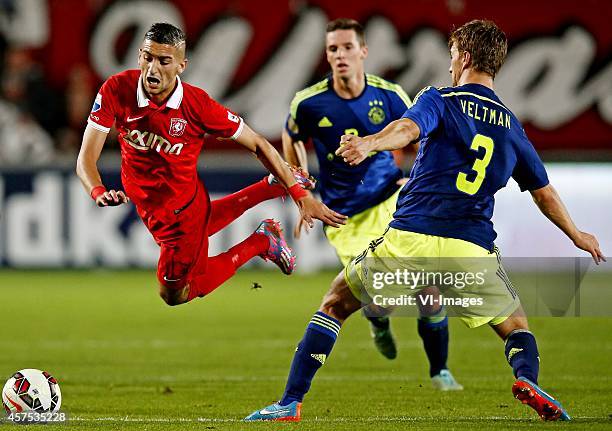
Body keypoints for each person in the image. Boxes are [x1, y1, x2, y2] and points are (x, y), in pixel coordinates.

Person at [245, 19, 605, 422]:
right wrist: (576, 233)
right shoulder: (511, 126)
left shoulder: (441, 98)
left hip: (411, 237)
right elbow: (544, 192)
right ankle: (528, 378)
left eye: (452, 55)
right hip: (470, 247)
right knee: (516, 326)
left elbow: (406, 129)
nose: (451, 64)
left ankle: (290, 402)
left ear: (465, 57)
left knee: (334, 305)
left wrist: (369, 143)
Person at [76, 23, 346, 306]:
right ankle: (268, 189)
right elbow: (85, 157)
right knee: (199, 229)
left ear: (181, 65)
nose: (152, 69)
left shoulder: (196, 106)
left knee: (175, 294)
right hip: (158, 207)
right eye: (147, 57)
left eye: (164, 61)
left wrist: (301, 196)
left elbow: (258, 143)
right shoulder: (117, 89)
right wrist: (97, 190)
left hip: (180, 215)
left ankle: (260, 242)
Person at [282, 18, 462, 390]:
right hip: (345, 219)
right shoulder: (309, 102)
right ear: (327, 54)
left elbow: (420, 138)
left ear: (363, 51)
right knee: (378, 300)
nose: (340, 55)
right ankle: (379, 320)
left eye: (348, 47)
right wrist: (301, 188)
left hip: (393, 203)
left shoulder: (390, 94)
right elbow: (291, 135)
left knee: (427, 287)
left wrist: (412, 178)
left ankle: (440, 371)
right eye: (333, 49)